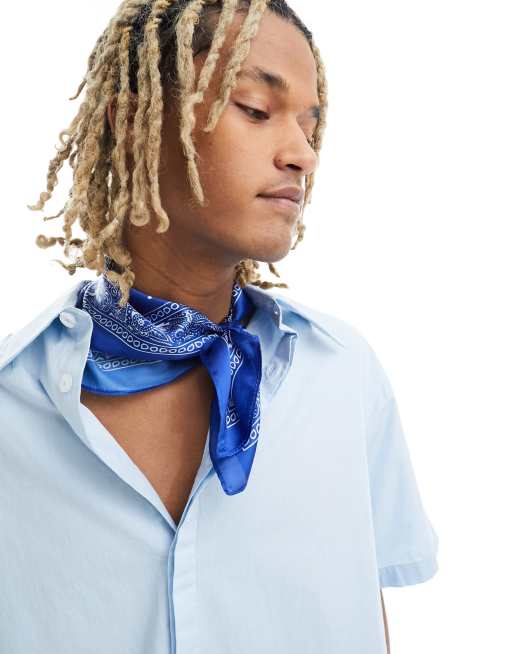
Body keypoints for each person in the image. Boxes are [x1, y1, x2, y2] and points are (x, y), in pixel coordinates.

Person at [0, 1, 438, 652]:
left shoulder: (342, 376)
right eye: (256, 110)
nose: (302, 155)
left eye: (310, 124)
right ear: (134, 124)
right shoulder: (11, 405)